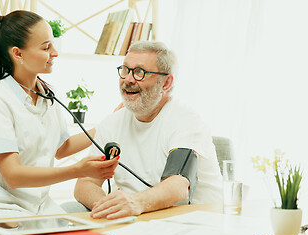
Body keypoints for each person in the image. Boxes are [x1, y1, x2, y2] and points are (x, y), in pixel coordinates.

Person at [0, 10, 119, 221]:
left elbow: (62, 148)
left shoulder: (46, 96)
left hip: (37, 207)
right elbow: (13, 176)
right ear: (18, 54)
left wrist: (110, 124)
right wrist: (78, 170)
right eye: (46, 47)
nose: (55, 53)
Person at [73, 41, 222, 220]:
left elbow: (178, 183)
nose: (128, 79)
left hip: (193, 223)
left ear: (166, 82)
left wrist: (134, 203)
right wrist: (110, 206)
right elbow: (85, 183)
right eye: (125, 70)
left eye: (139, 72)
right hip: (137, 220)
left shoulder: (186, 122)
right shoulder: (111, 123)